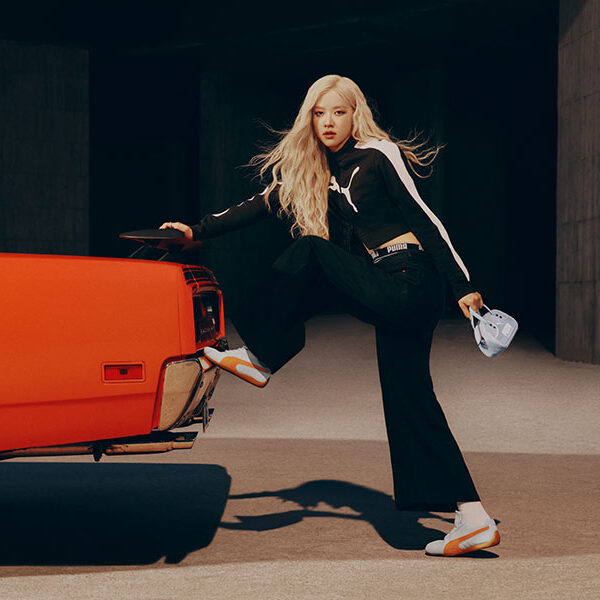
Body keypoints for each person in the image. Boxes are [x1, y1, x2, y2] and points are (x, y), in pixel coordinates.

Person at [160, 74, 500, 557]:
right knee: (411, 401)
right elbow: (260, 204)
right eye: (319, 113)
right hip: (383, 283)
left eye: (338, 112)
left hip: (411, 278)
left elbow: (424, 216)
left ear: (355, 114)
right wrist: (196, 231)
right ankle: (473, 517)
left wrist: (463, 284)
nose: (328, 122)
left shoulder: (378, 153)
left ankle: (261, 356)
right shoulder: (317, 170)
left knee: (312, 251)